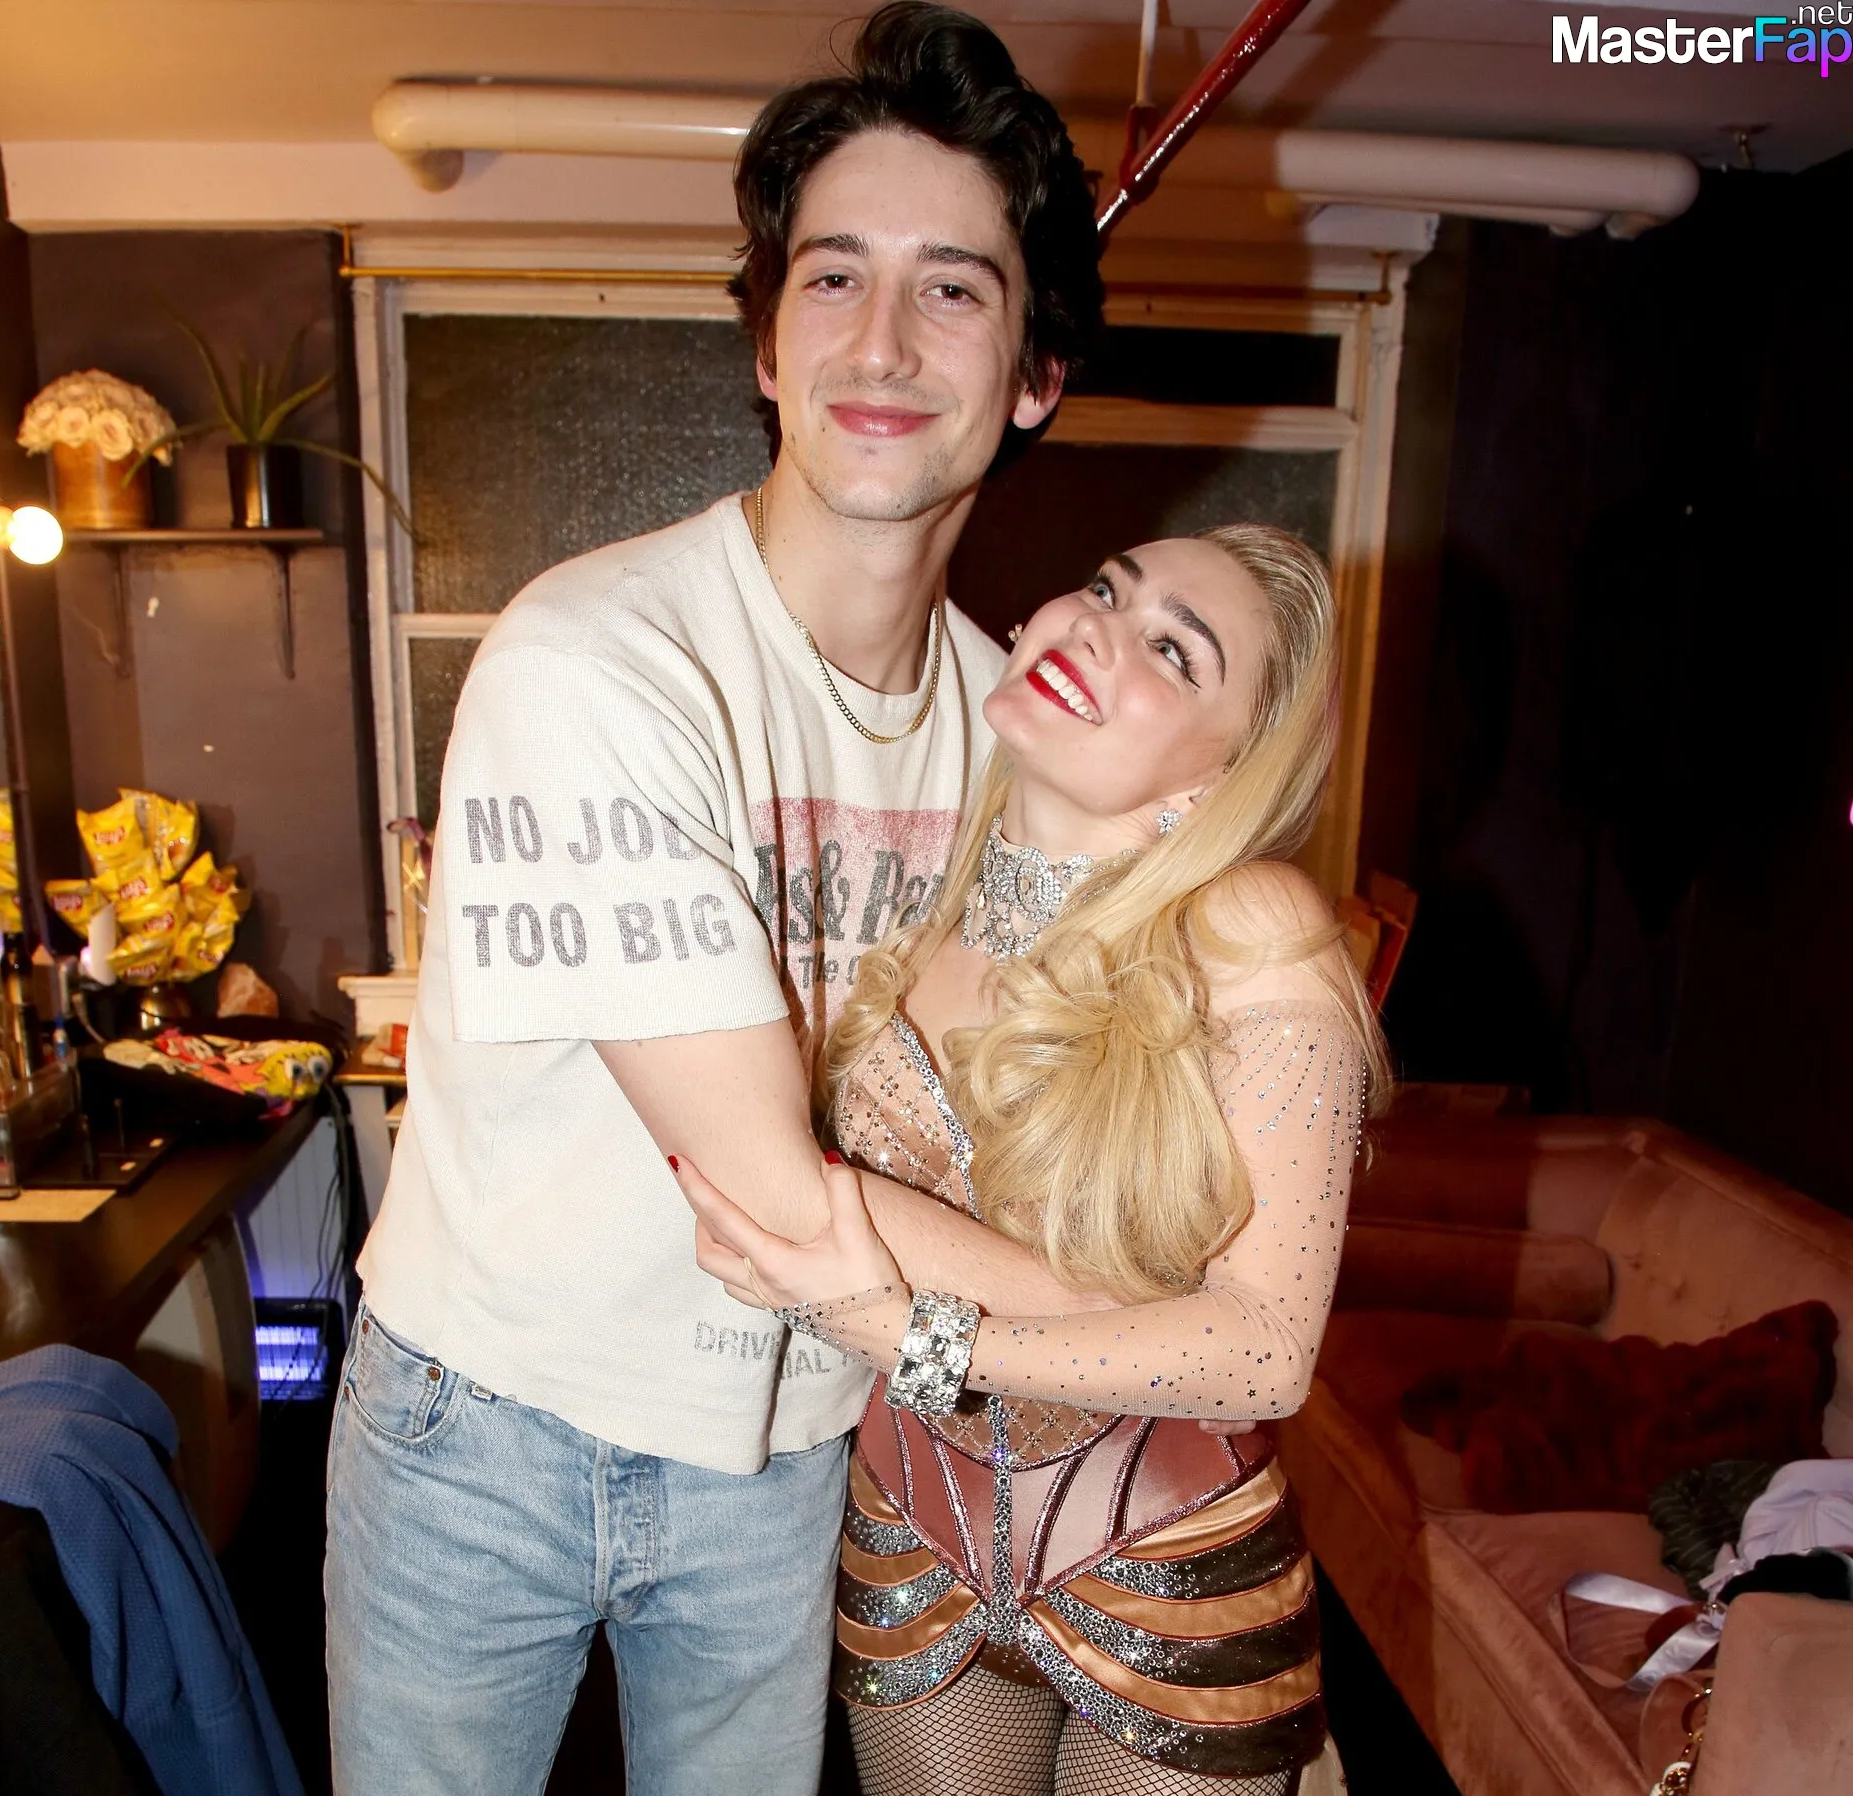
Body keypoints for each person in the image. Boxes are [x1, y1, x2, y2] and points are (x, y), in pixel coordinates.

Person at [323, 7, 1104, 1795]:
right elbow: (766, 1186)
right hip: (489, 1422)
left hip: (795, 1435)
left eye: (955, 289)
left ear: (1036, 372)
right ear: (766, 340)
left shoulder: (1018, 741)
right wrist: (1139, 1335)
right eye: (832, 279)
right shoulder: (595, 661)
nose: (882, 341)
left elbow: (1047, 1112)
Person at [675, 524, 1388, 1795]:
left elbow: (1266, 1350)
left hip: (1172, 1569)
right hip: (912, 1546)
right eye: (1108, 587)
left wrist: (915, 1335)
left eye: (1174, 649)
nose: (1100, 624)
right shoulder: (922, 908)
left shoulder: (1251, 926)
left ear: (1217, 778)